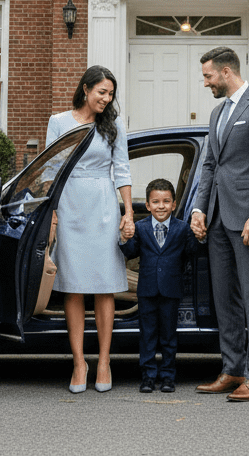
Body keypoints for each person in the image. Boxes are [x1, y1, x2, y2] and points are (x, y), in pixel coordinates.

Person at [189, 45, 249, 403]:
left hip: (248, 220)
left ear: (226, 72)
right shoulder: (217, 113)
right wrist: (199, 210)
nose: (206, 82)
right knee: (223, 299)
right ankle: (232, 370)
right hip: (216, 219)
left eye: (208, 76)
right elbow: (210, 165)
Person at [46, 65, 134, 393]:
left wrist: (127, 214)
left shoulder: (114, 125)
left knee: (104, 286)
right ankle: (79, 362)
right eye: (101, 92)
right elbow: (50, 171)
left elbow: (122, 170)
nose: (106, 99)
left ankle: (105, 361)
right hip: (70, 207)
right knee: (74, 287)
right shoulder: (59, 122)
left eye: (110, 94)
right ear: (86, 89)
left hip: (103, 207)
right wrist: (52, 215)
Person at [119, 178, 198, 393]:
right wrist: (125, 239)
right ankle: (147, 376)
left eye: (166, 201)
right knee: (147, 335)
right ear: (147, 205)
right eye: (155, 202)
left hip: (171, 290)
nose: (160, 206)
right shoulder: (140, 227)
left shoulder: (182, 228)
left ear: (173, 204)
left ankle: (168, 376)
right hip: (147, 291)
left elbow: (192, 251)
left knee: (169, 336)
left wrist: (199, 236)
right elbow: (131, 251)